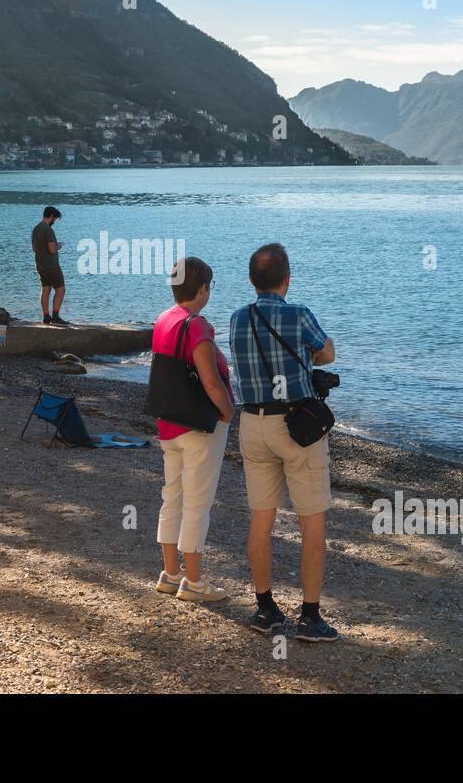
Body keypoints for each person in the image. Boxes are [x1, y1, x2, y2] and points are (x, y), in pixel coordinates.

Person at [229, 243, 339, 642]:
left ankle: (265, 609)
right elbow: (327, 353)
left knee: (262, 517)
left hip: (253, 424)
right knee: (312, 521)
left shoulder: (237, 319)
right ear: (287, 279)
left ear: (251, 280)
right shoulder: (298, 314)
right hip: (297, 427)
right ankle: (309, 617)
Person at [152, 257, 236, 602]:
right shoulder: (196, 325)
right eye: (209, 287)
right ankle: (196, 582)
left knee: (172, 496)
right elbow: (210, 380)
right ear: (202, 289)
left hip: (168, 421)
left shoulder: (163, 319)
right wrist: (229, 412)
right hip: (198, 424)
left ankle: (170, 574)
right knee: (198, 502)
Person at [31, 205, 69, 325]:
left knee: (45, 289)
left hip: (39, 264)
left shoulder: (36, 229)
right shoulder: (48, 230)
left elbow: (34, 248)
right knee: (61, 290)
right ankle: (56, 317)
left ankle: (46, 317)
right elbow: (52, 250)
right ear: (51, 216)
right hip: (51, 265)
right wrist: (58, 246)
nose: (54, 222)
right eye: (55, 219)